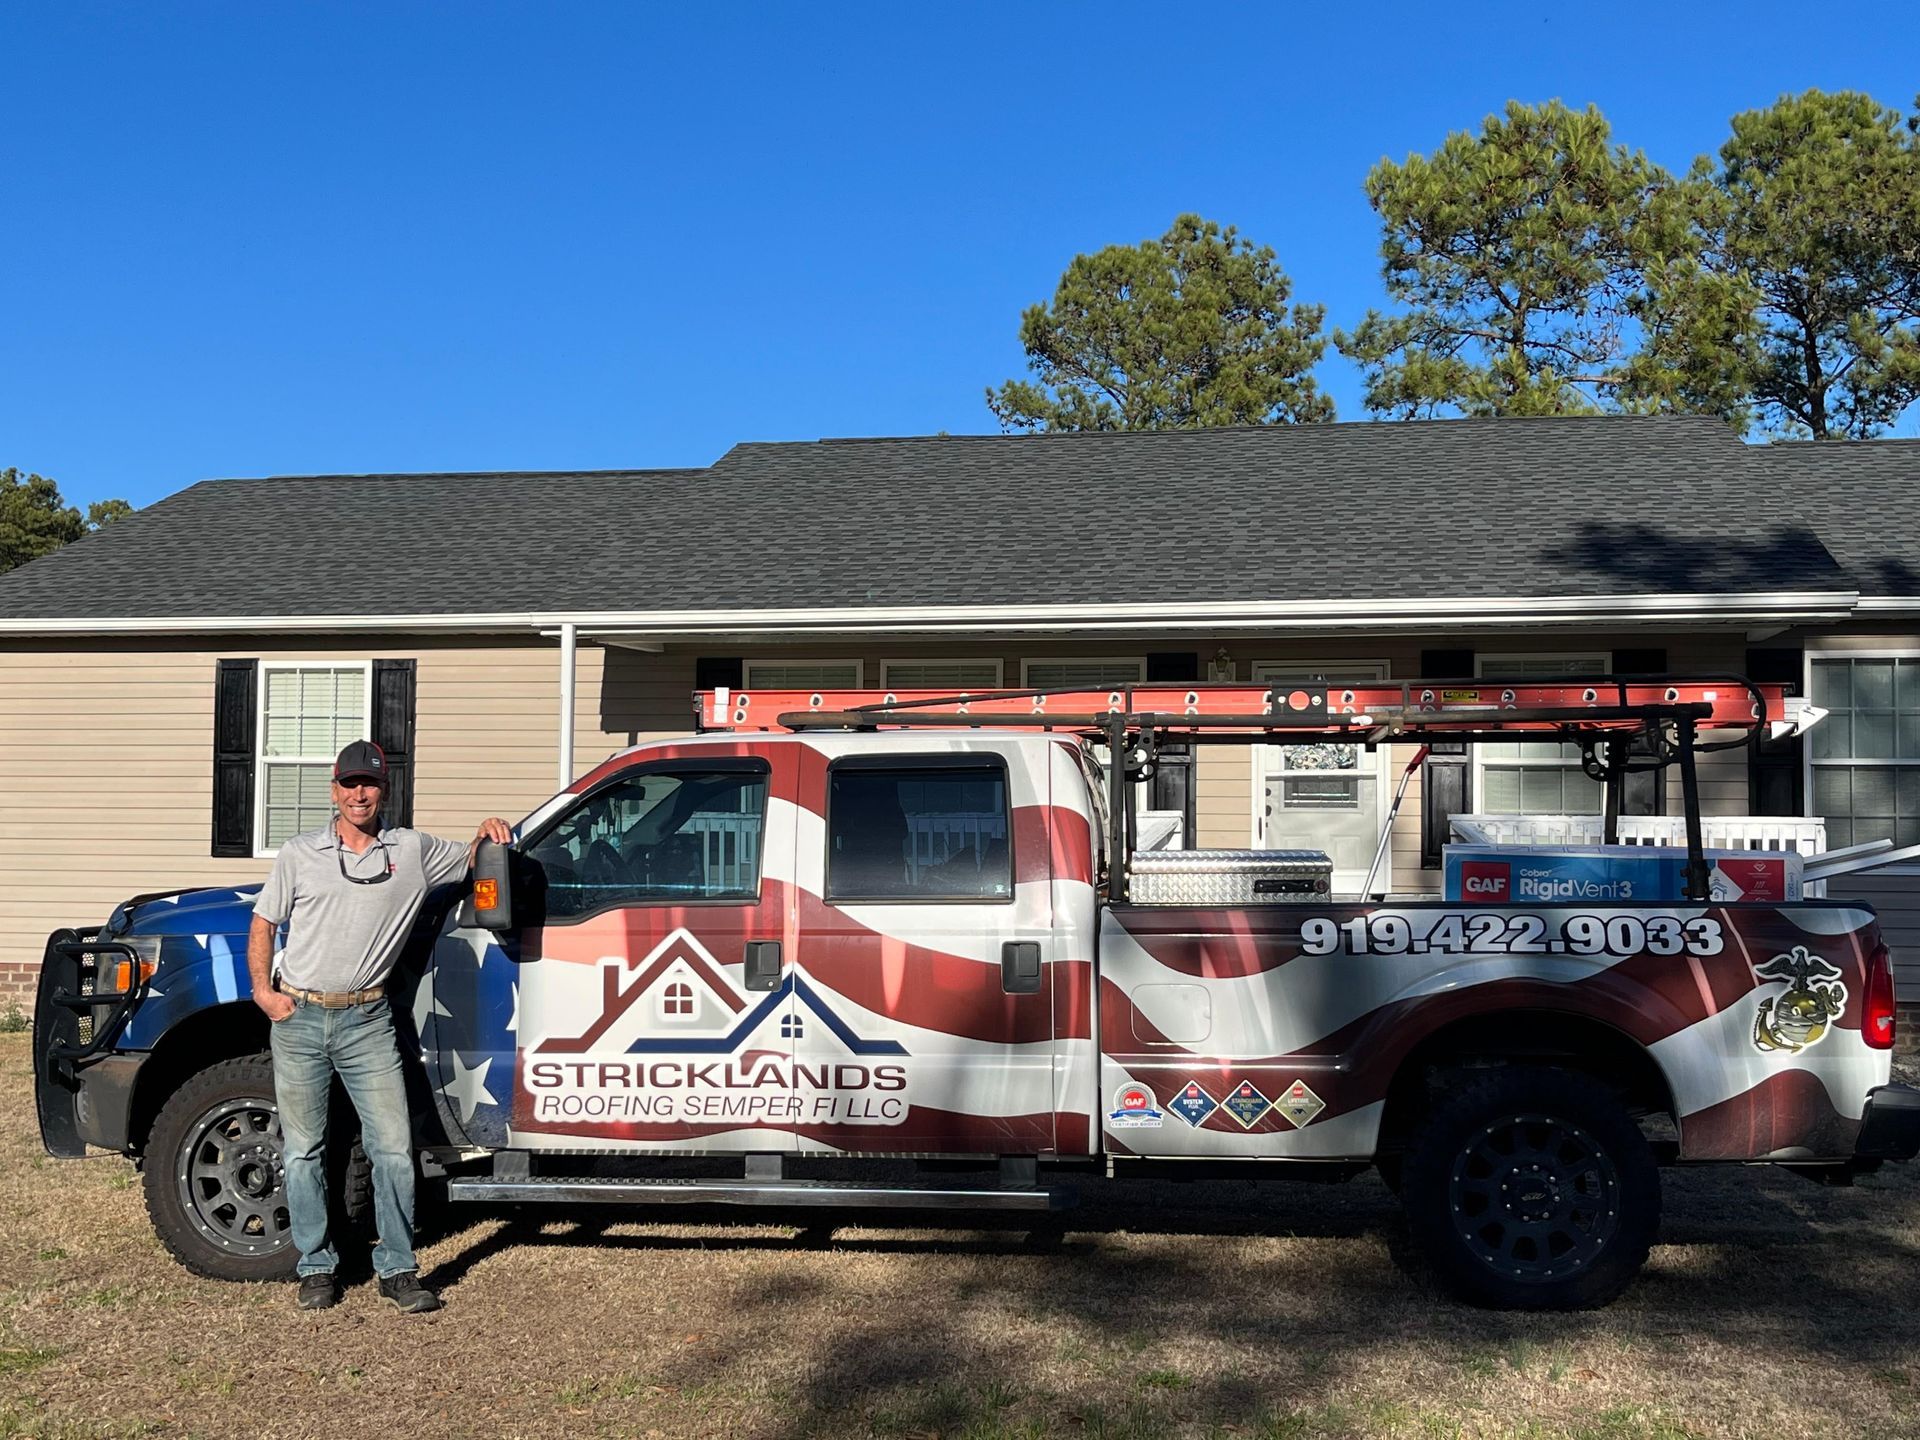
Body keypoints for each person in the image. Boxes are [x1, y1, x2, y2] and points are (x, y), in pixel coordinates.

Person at [247, 739, 512, 1313]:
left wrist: (487, 829)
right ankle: (316, 1266)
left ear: (383, 790)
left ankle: (397, 1267)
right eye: (349, 784)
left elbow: (470, 858)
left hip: (368, 1017)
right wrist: (264, 993)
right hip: (298, 1015)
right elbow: (264, 921)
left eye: (369, 783)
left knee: (392, 1147)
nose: (359, 793)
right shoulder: (299, 853)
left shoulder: (411, 851)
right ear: (334, 790)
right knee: (303, 1150)